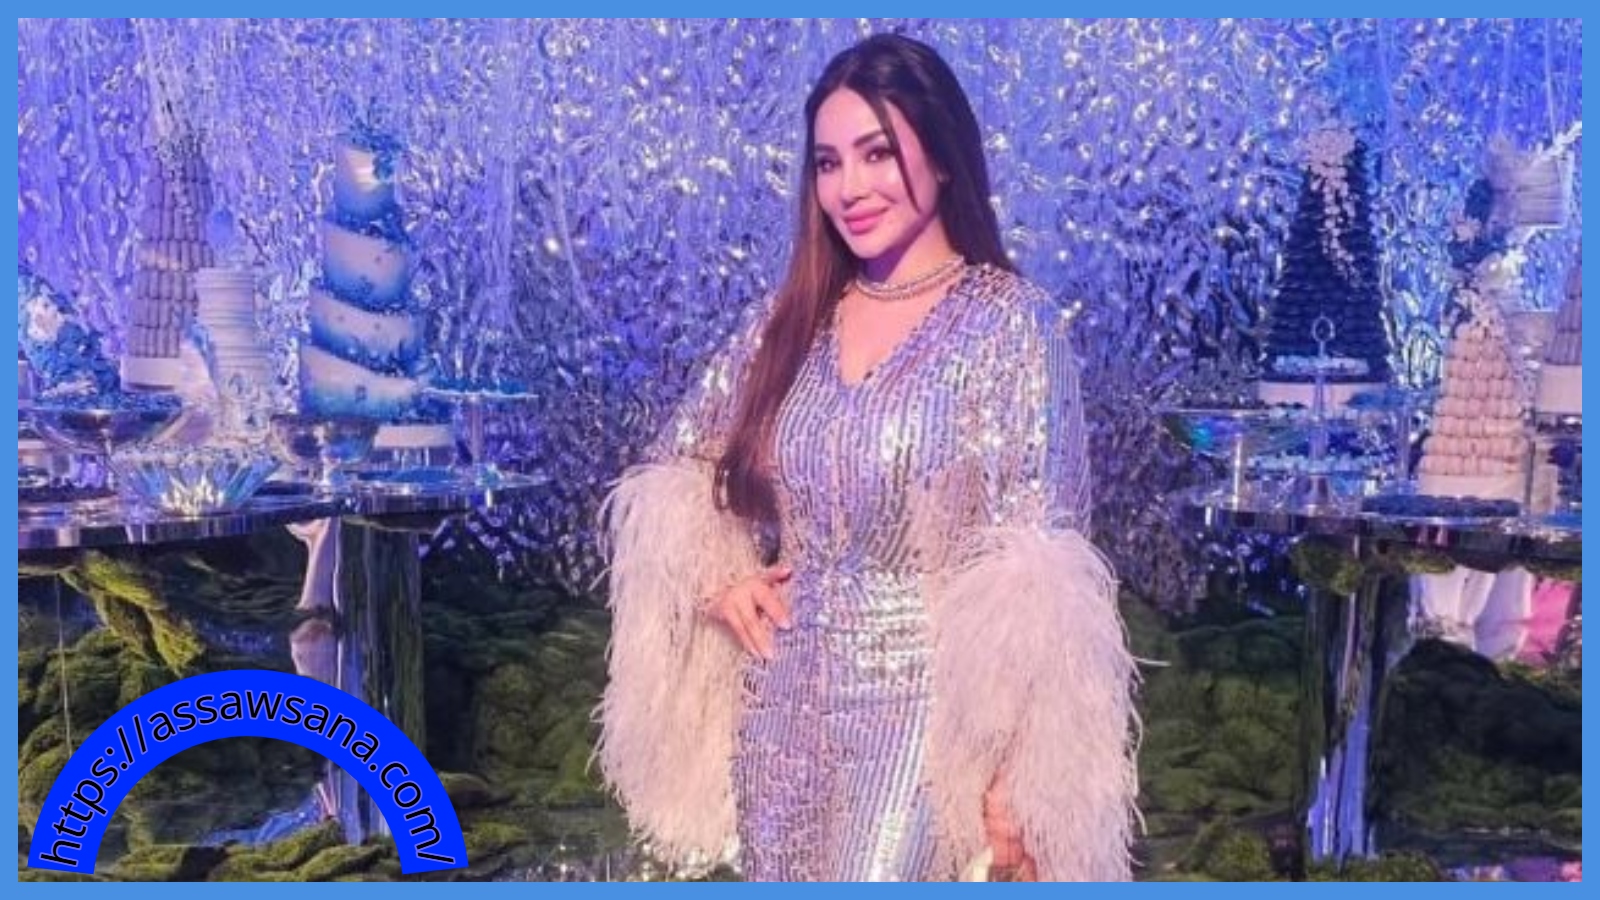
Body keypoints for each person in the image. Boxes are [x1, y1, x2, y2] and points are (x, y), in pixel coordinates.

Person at [598, 33, 1139, 882]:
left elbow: (1040, 570)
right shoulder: (793, 320)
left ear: (944, 155)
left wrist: (1019, 781)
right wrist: (719, 580)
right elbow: (678, 473)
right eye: (828, 163)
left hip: (927, 725)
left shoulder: (1011, 323)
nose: (850, 187)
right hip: (780, 714)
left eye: (877, 153)